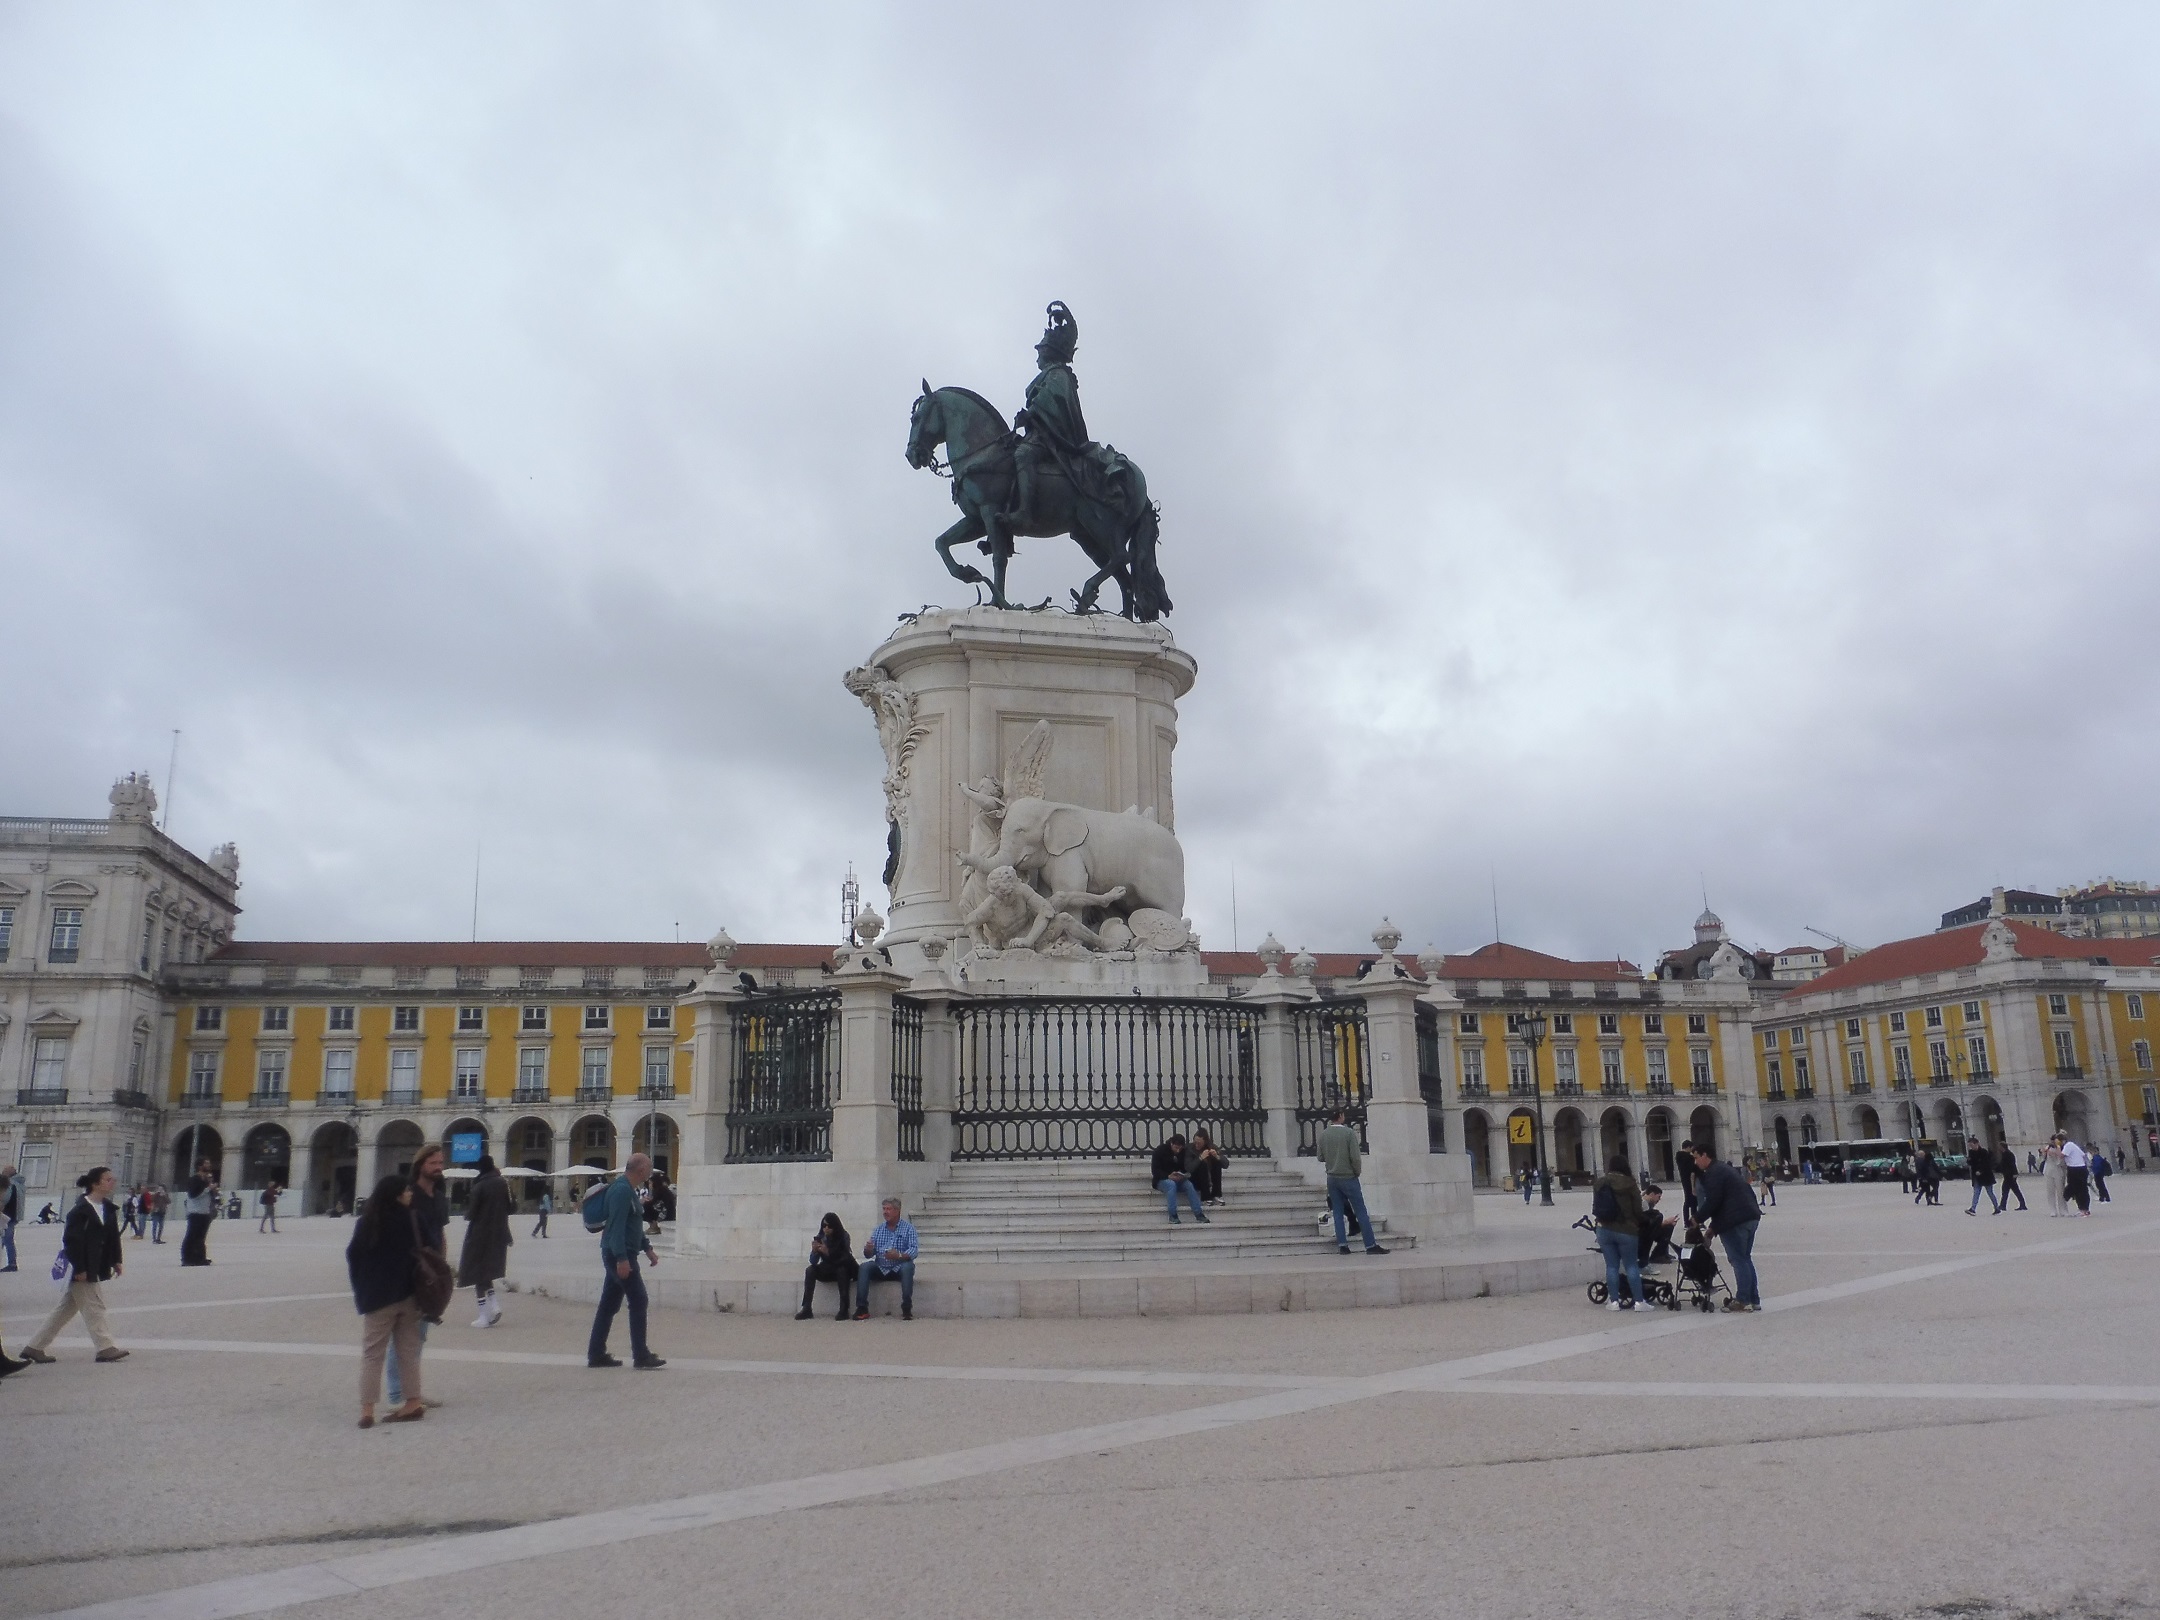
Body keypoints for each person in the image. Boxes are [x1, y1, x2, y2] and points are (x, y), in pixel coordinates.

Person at [17, 1167, 128, 1364]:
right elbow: (71, 1241)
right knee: (95, 1306)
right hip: (83, 1267)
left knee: (65, 1309)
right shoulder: (80, 1211)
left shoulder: (108, 1208)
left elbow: (112, 1238)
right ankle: (105, 1347)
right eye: (108, 1179)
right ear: (95, 1184)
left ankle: (34, 1347)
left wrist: (116, 1260)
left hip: (96, 1264)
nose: (113, 1182)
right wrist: (79, 1269)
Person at [346, 1174, 425, 1427]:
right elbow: (429, 1251)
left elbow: (353, 1257)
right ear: (397, 1195)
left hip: (378, 1297)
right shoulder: (413, 1220)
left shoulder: (367, 1222)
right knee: (408, 1353)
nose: (411, 1194)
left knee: (372, 1354)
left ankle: (367, 1410)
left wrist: (362, 1288)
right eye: (407, 1190)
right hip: (410, 1295)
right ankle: (412, 1402)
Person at [588, 1152, 664, 1368]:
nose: (650, 1172)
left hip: (621, 1252)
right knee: (639, 1300)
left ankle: (596, 1354)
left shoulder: (627, 1189)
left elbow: (633, 1224)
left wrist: (647, 1249)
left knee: (608, 1304)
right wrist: (622, 1259)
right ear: (640, 1170)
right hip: (619, 1254)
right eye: (649, 1168)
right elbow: (618, 1226)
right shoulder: (621, 1191)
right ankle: (641, 1355)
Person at [386, 1144, 448, 1408]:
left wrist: (442, 1266)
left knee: (419, 1334)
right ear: (421, 1164)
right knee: (402, 1336)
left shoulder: (439, 1195)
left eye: (441, 1163)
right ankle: (397, 1394)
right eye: (434, 1163)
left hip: (430, 1270)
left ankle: (411, 1392)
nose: (438, 1168)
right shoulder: (407, 1193)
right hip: (407, 1268)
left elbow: (441, 1231)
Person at [1690, 1145, 1762, 1312]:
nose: (1695, 1162)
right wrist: (1713, 1228)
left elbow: (1714, 1202)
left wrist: (1697, 1218)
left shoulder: (1714, 1173)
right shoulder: (1724, 1169)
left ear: (1705, 1154)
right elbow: (1726, 1201)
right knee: (1745, 1258)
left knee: (1738, 1260)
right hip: (1750, 1216)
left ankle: (1743, 1300)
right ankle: (1754, 1299)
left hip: (1736, 1222)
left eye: (1696, 1157)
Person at [1318, 1108, 1390, 1257]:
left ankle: (1343, 1245)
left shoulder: (1324, 1134)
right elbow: (1355, 1158)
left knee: (1337, 1212)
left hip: (1332, 1177)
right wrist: (1356, 1172)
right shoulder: (1348, 1133)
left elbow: (1320, 1157)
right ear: (1340, 1116)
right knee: (1360, 1211)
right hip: (1348, 1176)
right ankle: (1370, 1245)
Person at [456, 1156, 514, 1329]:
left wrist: (467, 1211)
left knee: (476, 1273)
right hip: (498, 1234)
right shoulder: (503, 1184)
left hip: (479, 1234)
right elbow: (511, 1208)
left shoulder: (479, 1186)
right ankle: (494, 1306)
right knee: (487, 1272)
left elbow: (472, 1213)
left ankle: (483, 1315)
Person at [1592, 1155, 1650, 1311]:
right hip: (1626, 1229)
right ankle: (1639, 1302)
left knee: (1611, 1266)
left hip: (1603, 1228)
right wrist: (1641, 1221)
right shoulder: (1630, 1183)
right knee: (1631, 1265)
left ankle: (1614, 1301)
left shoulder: (1600, 1182)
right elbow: (1638, 1209)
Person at [854, 1197, 920, 1320]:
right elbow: (869, 1254)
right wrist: (868, 1249)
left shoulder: (909, 1229)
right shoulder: (878, 1230)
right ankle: (862, 1307)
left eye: (888, 1209)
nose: (885, 1212)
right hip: (881, 1266)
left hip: (899, 1267)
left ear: (897, 1211)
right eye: (884, 1209)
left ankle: (906, 1307)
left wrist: (898, 1255)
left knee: (908, 1267)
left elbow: (914, 1250)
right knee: (864, 1267)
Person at [797, 1211, 859, 1320]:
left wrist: (828, 1252)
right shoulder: (821, 1237)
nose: (826, 1228)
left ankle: (844, 1309)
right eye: (824, 1226)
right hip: (827, 1268)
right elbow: (813, 1261)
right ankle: (806, 1308)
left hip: (841, 1267)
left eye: (829, 1226)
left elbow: (844, 1257)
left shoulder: (843, 1236)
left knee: (842, 1271)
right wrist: (815, 1251)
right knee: (810, 1270)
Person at [1150, 1134, 1208, 1225]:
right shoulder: (1160, 1151)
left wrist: (1183, 1174)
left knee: (1188, 1185)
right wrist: (1168, 1176)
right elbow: (1155, 1171)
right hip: (1161, 1180)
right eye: (1176, 1147)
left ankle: (1199, 1213)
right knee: (1171, 1185)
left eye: (1180, 1148)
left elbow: (1184, 1167)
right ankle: (1173, 1215)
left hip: (1177, 1178)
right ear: (1171, 1144)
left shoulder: (1182, 1152)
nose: (1178, 1150)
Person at [180, 1159, 219, 1265]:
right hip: (195, 1212)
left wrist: (213, 1191)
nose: (209, 1165)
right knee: (191, 1235)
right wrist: (208, 1188)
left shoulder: (206, 1180)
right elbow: (193, 1195)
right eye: (206, 1163)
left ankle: (200, 1257)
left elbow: (211, 1195)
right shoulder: (194, 1179)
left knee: (201, 1236)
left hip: (205, 1211)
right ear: (199, 1166)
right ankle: (187, 1258)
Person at [1636, 1184, 1677, 1266]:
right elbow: (1647, 1224)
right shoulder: (1644, 1205)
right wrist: (1665, 1222)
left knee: (1668, 1227)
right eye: (1658, 1197)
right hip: (1642, 1233)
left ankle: (1662, 1253)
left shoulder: (1648, 1203)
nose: (1659, 1200)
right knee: (1667, 1227)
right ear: (1652, 1194)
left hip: (1645, 1230)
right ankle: (1657, 1255)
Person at [1189, 1129, 1227, 1206]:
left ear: (1205, 1142)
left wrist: (1217, 1156)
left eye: (1199, 1143)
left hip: (1208, 1178)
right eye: (1195, 1142)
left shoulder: (1212, 1147)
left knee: (1217, 1162)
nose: (1196, 1145)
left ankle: (1216, 1194)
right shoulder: (1189, 1149)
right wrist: (1200, 1158)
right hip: (1194, 1178)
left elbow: (1226, 1164)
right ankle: (1205, 1197)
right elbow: (1189, 1168)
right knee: (1202, 1164)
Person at [1965, 1143, 1999, 1216]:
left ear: (1977, 1144)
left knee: (1990, 1192)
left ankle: (1996, 1207)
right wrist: (1969, 1160)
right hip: (1977, 1176)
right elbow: (1970, 1163)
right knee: (1976, 1192)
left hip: (1986, 1176)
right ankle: (1973, 1209)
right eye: (1970, 1146)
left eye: (1972, 1145)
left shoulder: (1984, 1152)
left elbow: (1986, 1164)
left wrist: (1980, 1171)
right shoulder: (1971, 1153)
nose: (1971, 1147)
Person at [2061, 1137, 2091, 1215]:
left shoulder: (2068, 1145)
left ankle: (2082, 1208)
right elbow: (2083, 1155)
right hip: (2081, 1168)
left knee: (2076, 1189)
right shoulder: (2074, 1146)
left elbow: (2061, 1155)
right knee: (2082, 1189)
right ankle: (2084, 1208)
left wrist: (2056, 1148)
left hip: (2075, 1168)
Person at [2042, 1134, 2069, 1216]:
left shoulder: (2063, 1148)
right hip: (2049, 1170)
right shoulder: (2048, 1147)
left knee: (2060, 1191)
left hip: (2059, 1170)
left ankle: (2063, 1209)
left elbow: (2061, 1159)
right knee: (2050, 1191)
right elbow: (2044, 1157)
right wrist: (2045, 1152)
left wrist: (2058, 1147)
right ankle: (2053, 1210)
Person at [0, 1165, 19, 1271]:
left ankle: (12, 1263)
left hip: (8, 1215)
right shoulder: (19, 1183)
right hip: (13, 1215)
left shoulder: (10, 1184)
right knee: (7, 1239)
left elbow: (5, 1199)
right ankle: (12, 1263)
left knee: (7, 1239)